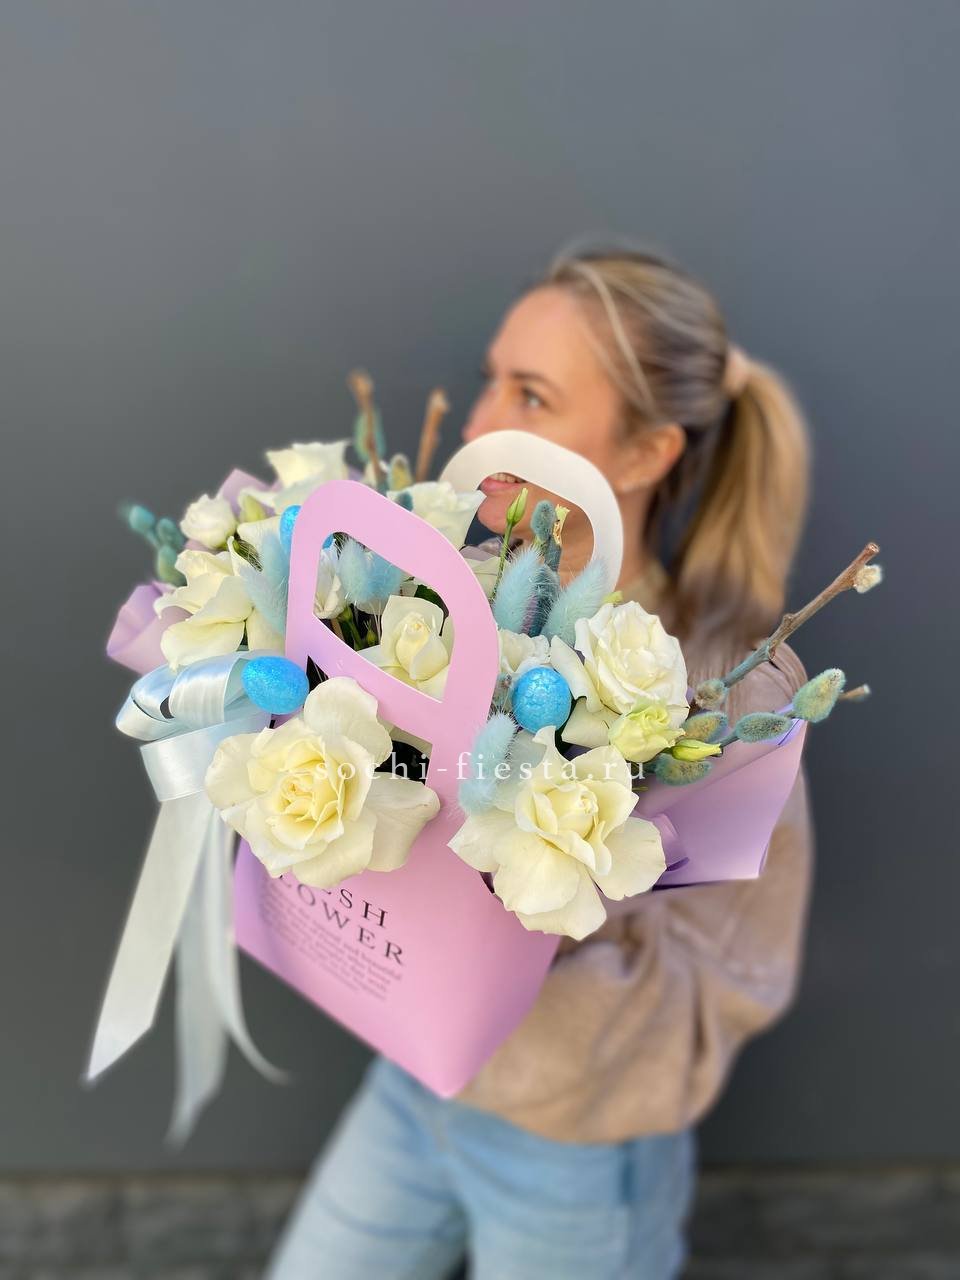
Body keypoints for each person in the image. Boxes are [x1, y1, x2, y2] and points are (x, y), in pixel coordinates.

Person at [265, 244, 815, 1279]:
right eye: (492, 380)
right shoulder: (436, 608)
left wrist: (537, 921)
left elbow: (731, 970)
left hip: (574, 1143)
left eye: (533, 395)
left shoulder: (718, 690)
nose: (483, 422)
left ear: (646, 452)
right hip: (413, 1083)